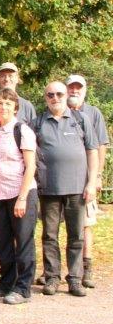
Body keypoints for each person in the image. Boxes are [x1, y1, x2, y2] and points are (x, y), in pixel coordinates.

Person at [35, 81, 98, 297]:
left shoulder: (81, 120)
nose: (55, 98)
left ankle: (75, 279)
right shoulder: (38, 123)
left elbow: (92, 151)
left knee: (76, 235)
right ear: (46, 98)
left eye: (59, 94)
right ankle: (52, 277)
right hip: (48, 189)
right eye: (50, 94)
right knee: (49, 235)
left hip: (77, 188)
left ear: (66, 95)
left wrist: (91, 182)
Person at [0, 88, 38, 304]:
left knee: (23, 241)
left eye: (8, 103)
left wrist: (22, 198)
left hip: (20, 193)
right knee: (2, 241)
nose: (3, 106)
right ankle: (6, 283)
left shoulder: (22, 131)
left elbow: (30, 166)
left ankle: (23, 288)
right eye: (0, 103)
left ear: (15, 107)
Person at [66, 74, 109, 288]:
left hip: (84, 179)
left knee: (85, 224)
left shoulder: (93, 113)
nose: (74, 91)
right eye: (71, 87)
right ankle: (53, 271)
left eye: (78, 87)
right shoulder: (57, 110)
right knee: (54, 228)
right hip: (60, 180)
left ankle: (86, 268)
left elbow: (100, 145)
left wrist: (97, 176)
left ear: (85, 90)